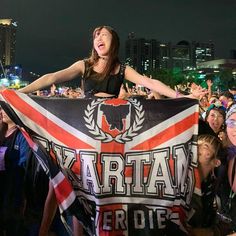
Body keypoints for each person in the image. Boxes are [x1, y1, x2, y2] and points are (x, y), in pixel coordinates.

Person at [18, 26, 206, 99]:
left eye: (104, 35)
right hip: (86, 123)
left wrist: (181, 97)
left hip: (113, 126)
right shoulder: (84, 65)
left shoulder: (123, 69)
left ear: (114, 42)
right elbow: (52, 77)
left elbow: (150, 83)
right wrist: (18, 93)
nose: (99, 38)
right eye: (96, 36)